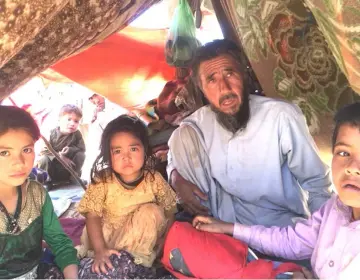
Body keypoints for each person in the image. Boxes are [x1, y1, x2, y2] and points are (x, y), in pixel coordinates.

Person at [167, 39, 332, 227]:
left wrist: (322, 234)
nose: (224, 89)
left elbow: (318, 183)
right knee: (182, 136)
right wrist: (175, 177)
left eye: (230, 74)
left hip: (279, 226)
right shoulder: (199, 123)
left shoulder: (280, 116)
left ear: (244, 75)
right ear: (203, 90)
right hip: (223, 222)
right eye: (212, 80)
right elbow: (173, 153)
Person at [193, 102, 360, 279]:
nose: (352, 168)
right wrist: (229, 228)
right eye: (343, 153)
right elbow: (292, 242)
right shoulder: (335, 208)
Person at [77, 115, 177, 276]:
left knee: (152, 211)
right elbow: (93, 216)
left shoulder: (154, 179)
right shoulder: (102, 180)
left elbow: (170, 212)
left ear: (145, 150)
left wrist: (164, 240)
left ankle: (133, 261)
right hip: (107, 239)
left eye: (133, 149)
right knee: (94, 226)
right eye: (117, 151)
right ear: (109, 155)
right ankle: (115, 260)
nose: (126, 157)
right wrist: (100, 250)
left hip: (139, 241)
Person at [0, 105, 78, 279]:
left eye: (26, 150)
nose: (19, 162)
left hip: (38, 271)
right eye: (4, 152)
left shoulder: (36, 193)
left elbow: (59, 242)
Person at [37, 104, 86, 185]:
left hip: (68, 169)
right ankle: (46, 182)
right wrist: (60, 157)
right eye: (69, 119)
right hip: (52, 169)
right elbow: (43, 151)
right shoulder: (50, 133)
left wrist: (71, 149)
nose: (72, 123)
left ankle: (74, 178)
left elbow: (82, 149)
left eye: (76, 121)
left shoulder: (76, 134)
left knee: (81, 155)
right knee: (43, 159)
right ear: (59, 120)